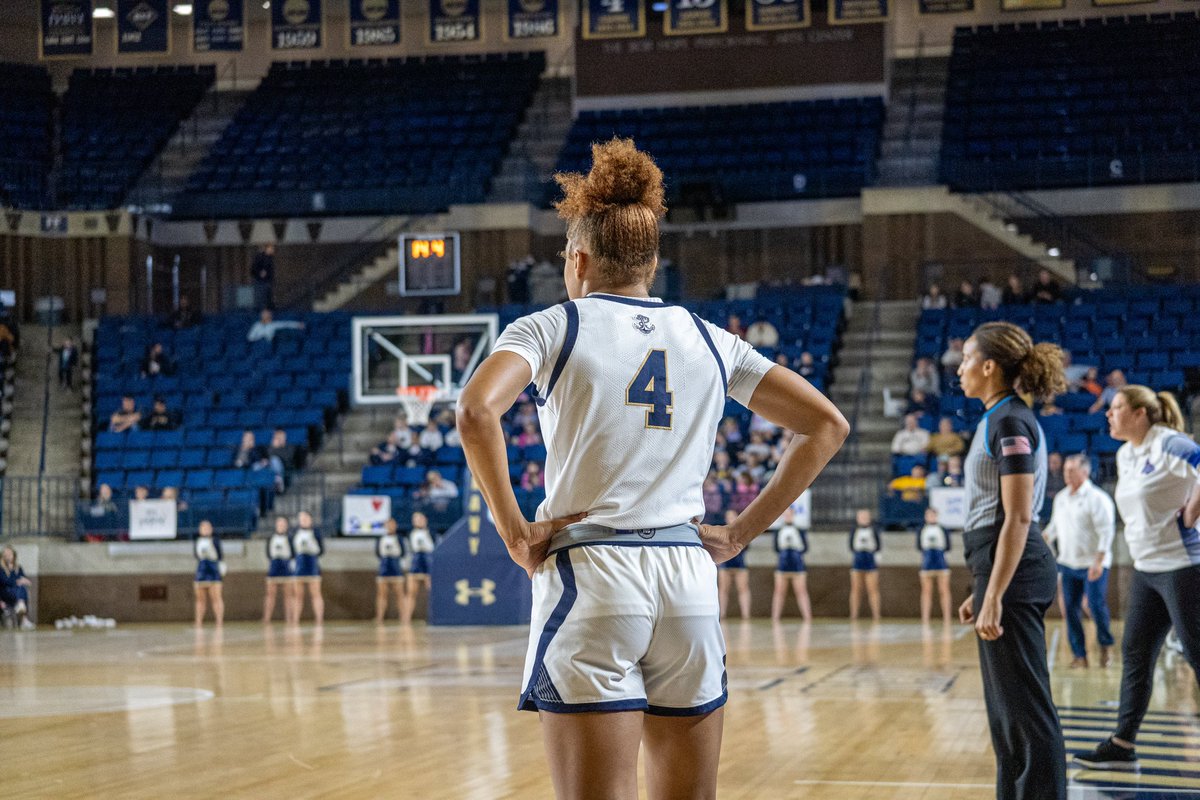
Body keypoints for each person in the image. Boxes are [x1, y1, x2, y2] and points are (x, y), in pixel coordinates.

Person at [456, 138, 848, 800]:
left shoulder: (552, 326)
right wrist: (739, 533)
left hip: (593, 577)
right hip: (688, 579)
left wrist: (516, 533)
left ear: (578, 260)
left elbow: (474, 412)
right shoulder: (710, 338)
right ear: (652, 261)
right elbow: (827, 425)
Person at [955, 321, 1067, 800]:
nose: (958, 369)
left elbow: (1018, 517)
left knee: (1026, 712)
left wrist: (995, 593)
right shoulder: (996, 417)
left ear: (988, 366)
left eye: (965, 359)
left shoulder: (1010, 422)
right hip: (999, 569)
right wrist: (981, 588)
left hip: (1017, 572)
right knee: (1006, 713)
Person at [1073, 387, 1200, 770]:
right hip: (1147, 570)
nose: (1108, 415)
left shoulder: (1170, 444)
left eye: (1116, 408)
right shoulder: (1126, 453)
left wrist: (1192, 511)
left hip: (1183, 567)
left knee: (1197, 655)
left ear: (1142, 413)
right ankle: (1123, 742)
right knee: (1135, 654)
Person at [1042, 454, 1116, 669]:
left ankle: (1105, 647)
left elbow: (1106, 532)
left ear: (1085, 472)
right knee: (1070, 611)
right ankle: (1080, 655)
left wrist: (1098, 561)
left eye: (1072, 470)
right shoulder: (1061, 498)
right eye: (1065, 470)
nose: (1067, 474)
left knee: (1095, 606)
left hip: (1093, 564)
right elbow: (1054, 528)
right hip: (1067, 563)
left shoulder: (1098, 498)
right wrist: (1041, 540)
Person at [772, 508, 811, 622]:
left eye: (790, 514)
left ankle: (807, 618)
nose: (788, 516)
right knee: (779, 592)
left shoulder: (800, 530)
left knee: (801, 592)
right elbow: (776, 548)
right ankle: (775, 618)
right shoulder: (778, 530)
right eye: (786, 514)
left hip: (797, 565)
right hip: (782, 564)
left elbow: (805, 547)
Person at [918, 508, 952, 626]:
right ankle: (925, 618)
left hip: (941, 562)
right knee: (926, 591)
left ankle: (947, 617)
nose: (931, 517)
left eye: (933, 515)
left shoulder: (942, 529)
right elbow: (919, 546)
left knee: (944, 590)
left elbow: (948, 546)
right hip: (927, 562)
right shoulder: (921, 529)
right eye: (929, 515)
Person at [716, 509, 751, 620]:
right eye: (729, 517)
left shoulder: (742, 532)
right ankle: (721, 614)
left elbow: (747, 547)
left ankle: (746, 615)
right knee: (723, 589)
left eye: (733, 516)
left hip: (739, 563)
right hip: (725, 564)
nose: (731, 519)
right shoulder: (722, 532)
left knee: (743, 588)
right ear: (726, 519)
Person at [263, 515, 298, 625]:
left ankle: (289, 618)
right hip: (274, 566)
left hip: (286, 566)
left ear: (286, 526)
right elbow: (268, 553)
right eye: (279, 524)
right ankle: (266, 618)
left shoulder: (290, 538)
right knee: (270, 594)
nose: (281, 526)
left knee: (288, 594)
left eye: (283, 524)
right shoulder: (270, 538)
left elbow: (294, 553)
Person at [292, 511, 324, 626]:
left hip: (312, 566)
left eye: (306, 518)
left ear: (310, 519)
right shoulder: (294, 533)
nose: (304, 520)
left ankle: (319, 619)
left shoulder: (316, 532)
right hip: (299, 566)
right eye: (301, 518)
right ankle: (295, 620)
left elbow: (321, 550)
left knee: (316, 594)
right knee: (297, 595)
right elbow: (292, 550)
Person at [849, 509, 881, 621]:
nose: (863, 519)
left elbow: (878, 546)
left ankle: (876, 615)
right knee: (856, 590)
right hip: (857, 561)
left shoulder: (874, 530)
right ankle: (853, 615)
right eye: (861, 516)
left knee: (873, 589)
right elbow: (851, 546)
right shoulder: (854, 530)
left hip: (870, 561)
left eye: (865, 516)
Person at [375, 518, 408, 624]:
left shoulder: (399, 538)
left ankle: (404, 617)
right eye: (387, 525)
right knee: (382, 594)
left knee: (400, 593)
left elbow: (403, 552)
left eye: (392, 524)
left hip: (396, 567)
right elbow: (378, 553)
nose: (390, 527)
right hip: (384, 567)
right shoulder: (381, 538)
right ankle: (379, 618)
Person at [192, 520, 224, 627]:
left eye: (207, 528)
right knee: (200, 599)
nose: (205, 530)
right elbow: (196, 555)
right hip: (201, 570)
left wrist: (219, 567)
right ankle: (198, 621)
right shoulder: (197, 541)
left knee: (216, 597)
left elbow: (220, 555)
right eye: (203, 528)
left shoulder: (215, 540)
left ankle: (219, 621)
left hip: (213, 569)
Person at [404, 511, 434, 624]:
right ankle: (406, 619)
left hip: (428, 562)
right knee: (411, 592)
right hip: (416, 562)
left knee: (431, 591)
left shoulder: (431, 532)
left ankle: (433, 616)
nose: (418, 521)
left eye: (420, 518)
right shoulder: (410, 533)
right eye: (415, 519)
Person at [0, 546, 35, 630]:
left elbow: (23, 578)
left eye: (10, 554)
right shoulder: (1, 569)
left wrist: (23, 581)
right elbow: (4, 581)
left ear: (14, 556)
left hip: (16, 593)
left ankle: (21, 610)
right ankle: (21, 607)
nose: (8, 557)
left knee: (21, 588)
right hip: (5, 593)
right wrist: (17, 581)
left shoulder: (18, 567)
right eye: (6, 555)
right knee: (19, 587)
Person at [251, 243, 275, 310]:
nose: (273, 250)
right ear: (267, 248)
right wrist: (260, 273)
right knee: (261, 297)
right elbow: (253, 269)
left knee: (268, 297)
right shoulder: (260, 257)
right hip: (260, 281)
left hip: (268, 281)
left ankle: (268, 309)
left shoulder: (270, 258)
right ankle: (260, 310)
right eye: (271, 248)